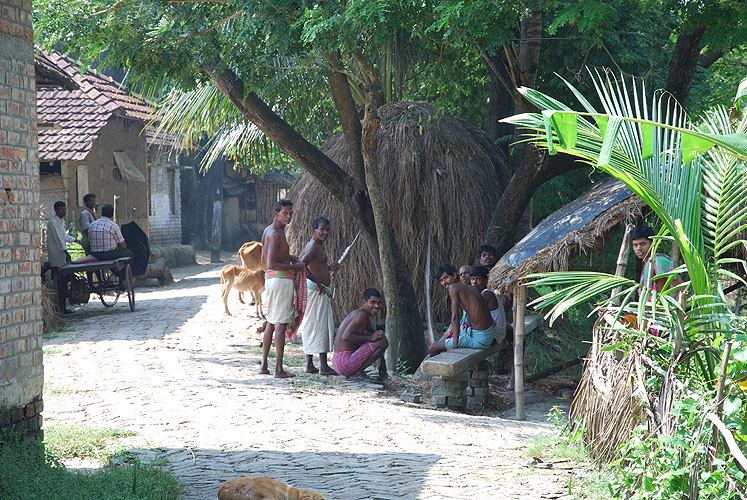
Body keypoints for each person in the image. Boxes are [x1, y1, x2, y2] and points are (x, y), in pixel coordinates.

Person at [260, 199, 306, 378]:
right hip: (280, 281)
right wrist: (295, 267)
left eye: (290, 213)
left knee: (271, 323)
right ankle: (278, 369)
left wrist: (289, 258)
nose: (288, 217)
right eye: (285, 213)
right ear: (275, 214)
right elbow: (271, 263)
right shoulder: (275, 234)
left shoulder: (269, 231)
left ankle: (264, 365)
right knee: (279, 324)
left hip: (272, 281)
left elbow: (265, 261)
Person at [297, 216, 340, 375]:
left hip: (316, 290)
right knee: (320, 325)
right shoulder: (314, 246)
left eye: (327, 229)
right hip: (316, 291)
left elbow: (315, 267)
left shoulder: (316, 246)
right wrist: (317, 283)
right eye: (322, 229)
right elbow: (302, 265)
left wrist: (328, 268)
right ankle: (323, 366)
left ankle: (310, 365)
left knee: (313, 324)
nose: (325, 232)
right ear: (313, 230)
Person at [428, 263, 495, 357]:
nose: (444, 282)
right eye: (441, 280)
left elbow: (455, 317)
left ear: (454, 275)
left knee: (432, 348)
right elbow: (460, 315)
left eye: (446, 278)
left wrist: (455, 343)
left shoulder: (453, 287)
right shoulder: (470, 287)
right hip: (488, 334)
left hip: (480, 338)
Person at [332, 288, 389, 382]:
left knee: (381, 339)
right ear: (364, 302)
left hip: (339, 363)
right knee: (383, 341)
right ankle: (357, 373)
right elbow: (346, 337)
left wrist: (382, 363)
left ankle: (357, 372)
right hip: (344, 363)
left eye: (379, 303)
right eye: (373, 302)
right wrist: (370, 338)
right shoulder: (360, 315)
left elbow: (378, 338)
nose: (377, 306)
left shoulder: (363, 316)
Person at [632, 225, 684, 294]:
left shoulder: (659, 261)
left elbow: (683, 289)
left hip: (659, 304)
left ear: (652, 243)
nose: (638, 248)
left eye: (642, 244)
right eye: (635, 245)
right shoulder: (646, 265)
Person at [46, 201, 78, 314]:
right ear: (56, 210)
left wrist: (75, 240)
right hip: (57, 256)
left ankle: (64, 306)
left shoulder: (61, 222)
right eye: (61, 209)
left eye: (64, 209)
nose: (63, 211)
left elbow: (64, 236)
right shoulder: (53, 223)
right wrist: (66, 252)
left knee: (64, 282)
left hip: (62, 256)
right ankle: (61, 308)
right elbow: (59, 240)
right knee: (59, 283)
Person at [469, 266, 506, 343]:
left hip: (494, 335)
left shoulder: (486, 294)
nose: (474, 282)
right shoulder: (482, 294)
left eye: (478, 279)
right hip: (491, 333)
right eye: (472, 279)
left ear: (486, 281)